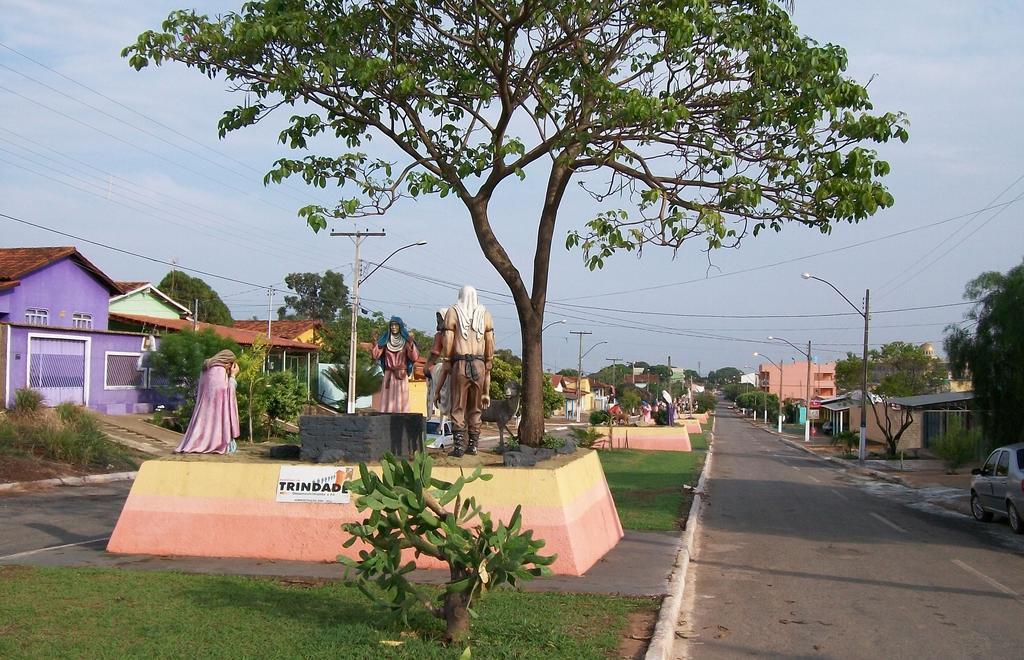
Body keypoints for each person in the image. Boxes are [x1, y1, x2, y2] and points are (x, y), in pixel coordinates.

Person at [441, 285, 494, 457]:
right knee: (475, 406)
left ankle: (458, 446)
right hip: (479, 364)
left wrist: (447, 360)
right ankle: (473, 445)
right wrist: (489, 361)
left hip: (460, 363)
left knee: (458, 405)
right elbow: (489, 340)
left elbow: (448, 338)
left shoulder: (453, 311)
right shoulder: (485, 313)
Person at [175, 349, 240, 454]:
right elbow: (226, 395)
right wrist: (232, 377)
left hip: (203, 414)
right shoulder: (219, 371)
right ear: (228, 364)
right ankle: (215, 444)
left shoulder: (206, 369)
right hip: (216, 418)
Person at [371, 316, 420, 413]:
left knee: (401, 400)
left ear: (400, 326)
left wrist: (410, 344)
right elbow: (376, 355)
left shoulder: (405, 341)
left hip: (401, 375)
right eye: (391, 325)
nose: (393, 327)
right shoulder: (385, 340)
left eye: (395, 325)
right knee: (387, 402)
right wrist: (378, 343)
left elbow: (414, 357)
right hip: (389, 374)